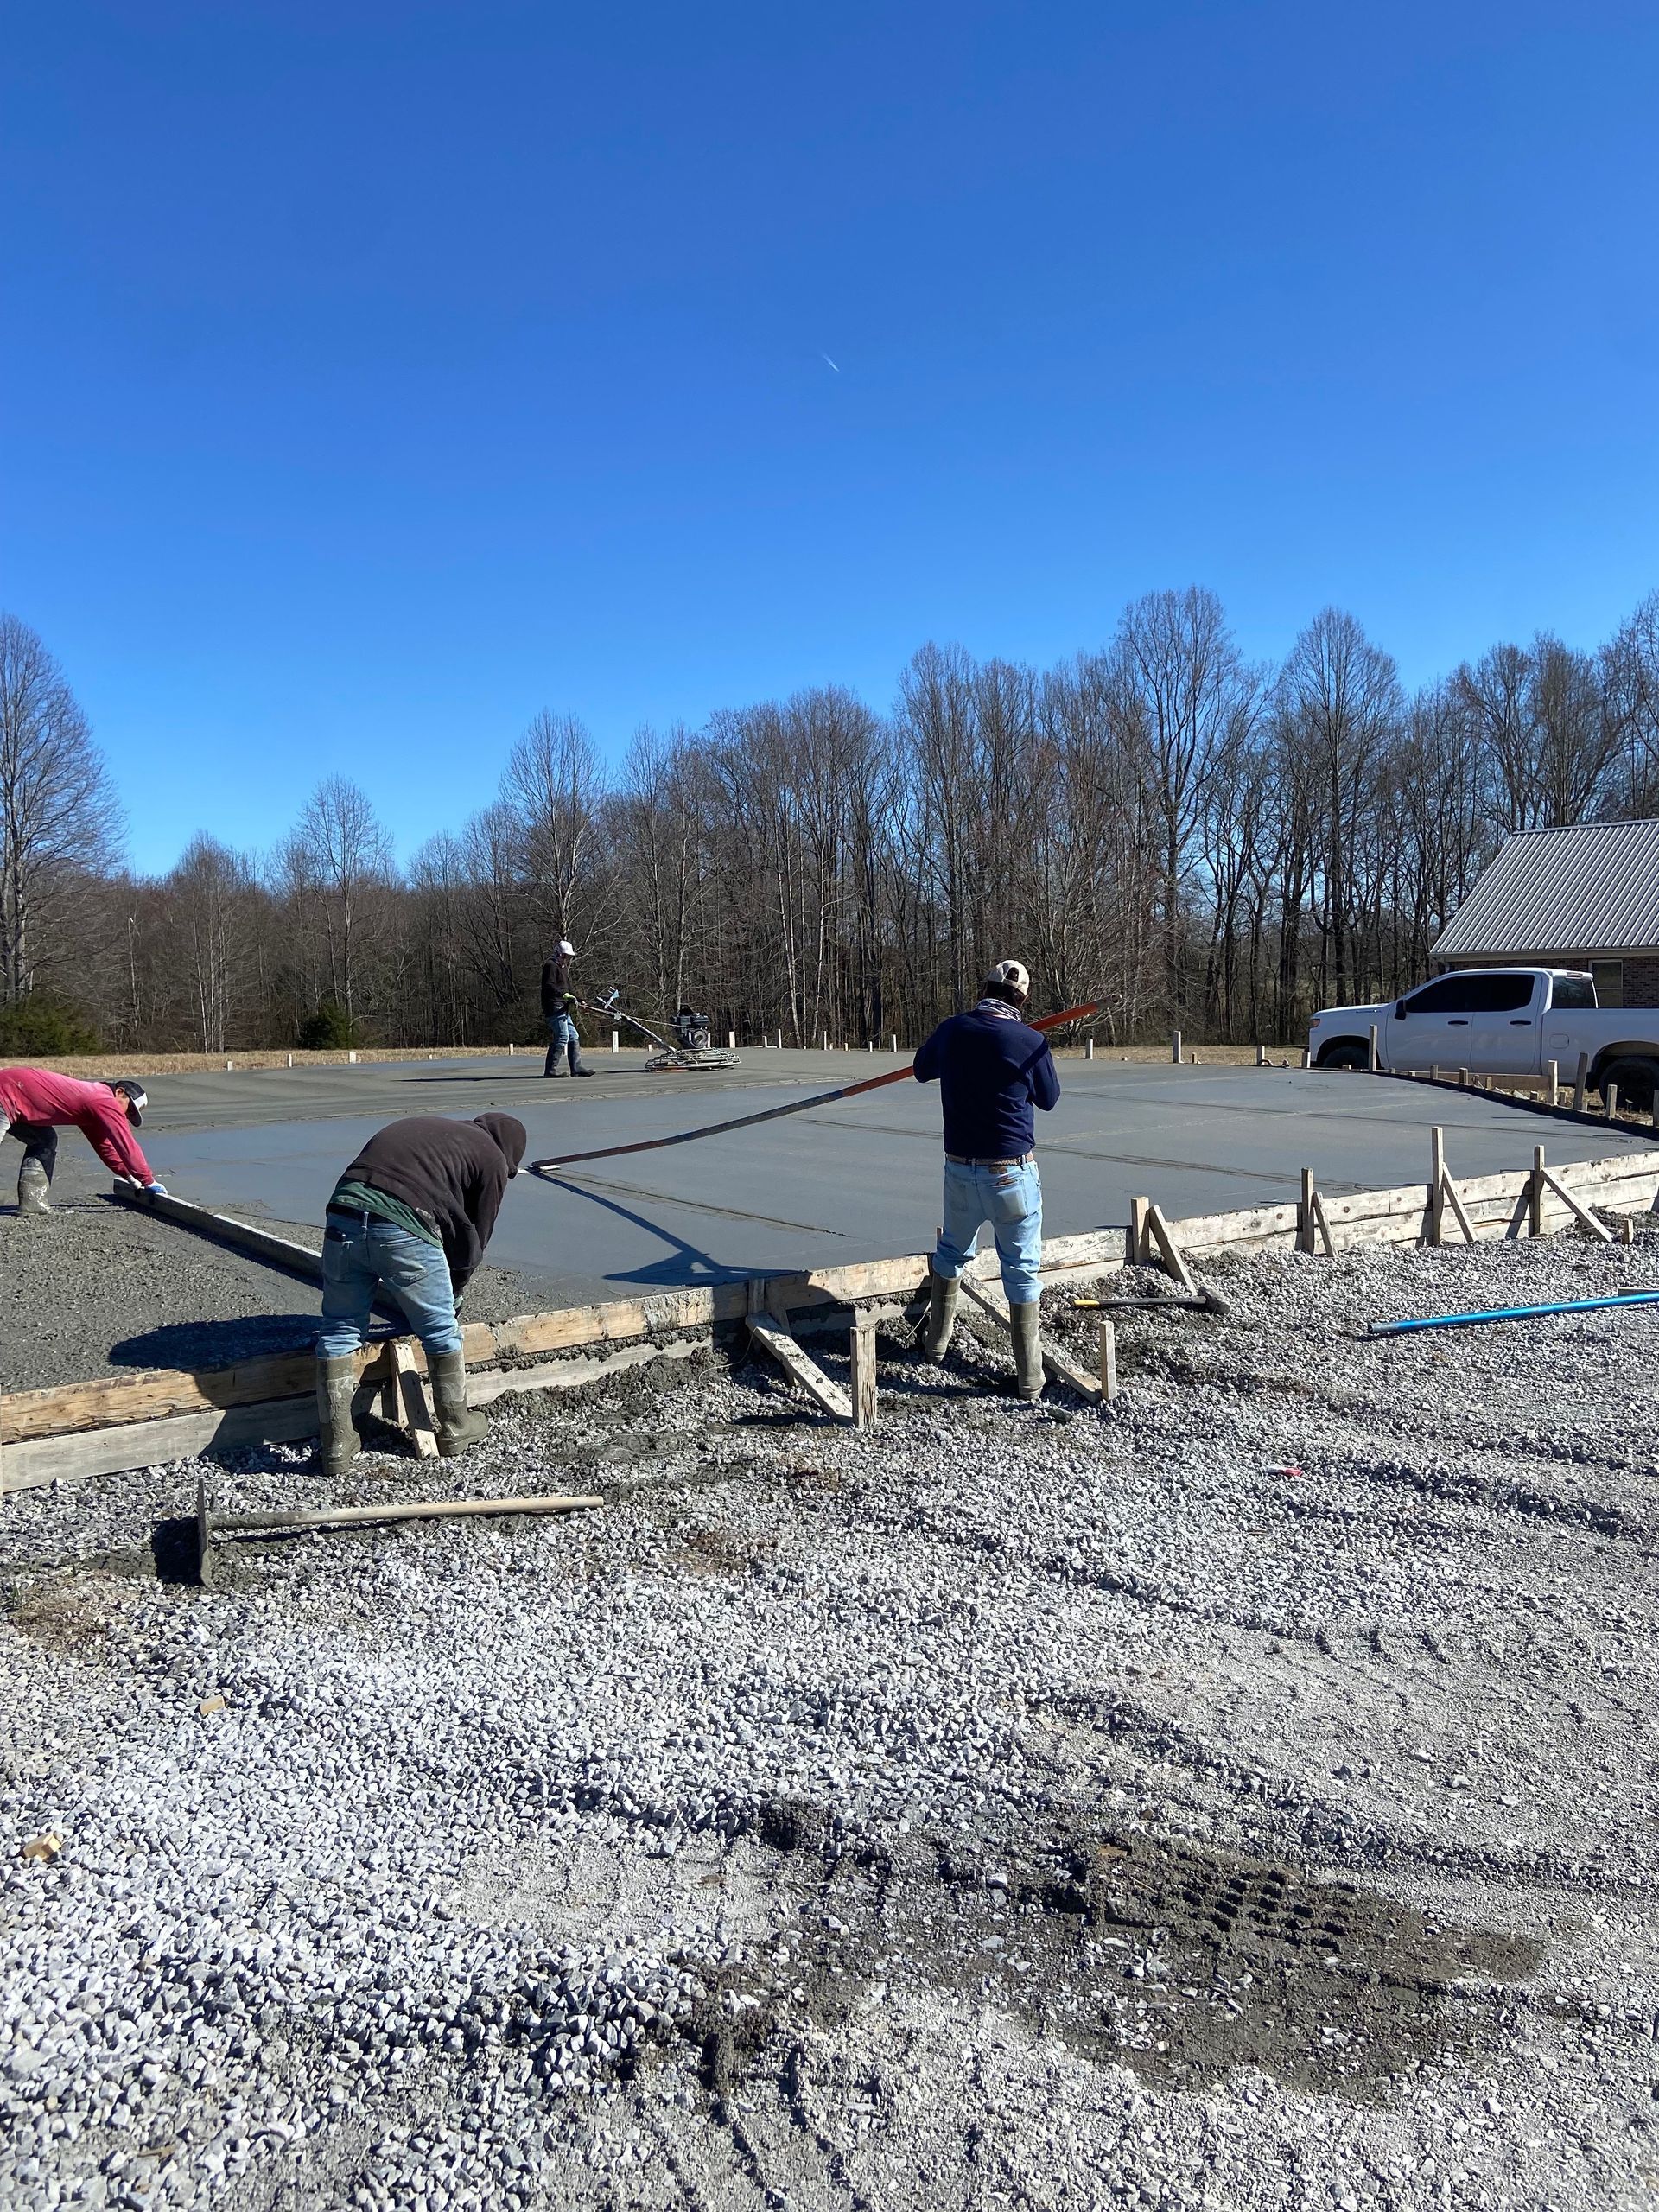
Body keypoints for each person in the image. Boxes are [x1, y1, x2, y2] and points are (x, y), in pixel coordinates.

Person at [314, 1111, 528, 1472]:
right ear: (511, 1153)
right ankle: (456, 1426)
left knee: (339, 1329)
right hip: (401, 1222)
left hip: (343, 1215)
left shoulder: (439, 1133)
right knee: (441, 1330)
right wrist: (454, 1290)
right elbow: (475, 1234)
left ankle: (336, 1444)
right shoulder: (492, 1158)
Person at [912, 961, 1059, 1400]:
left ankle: (937, 1343)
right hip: (1011, 1171)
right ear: (1023, 999)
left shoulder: (953, 1030)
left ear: (985, 988)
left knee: (951, 1251)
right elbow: (1049, 1099)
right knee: (1021, 1267)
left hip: (960, 1168)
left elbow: (922, 1069)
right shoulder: (1029, 1041)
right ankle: (1029, 1376)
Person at [0, 1068, 166, 1215]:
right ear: (119, 1092)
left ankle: (32, 1204)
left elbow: (105, 1147)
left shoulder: (94, 1104)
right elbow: (127, 1145)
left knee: (45, 1140)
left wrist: (130, 1177)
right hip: (7, 1090)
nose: (126, 1116)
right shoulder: (104, 1100)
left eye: (130, 1116)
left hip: (16, 1096)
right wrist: (148, 1180)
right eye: (128, 1110)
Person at [541, 939, 594, 1077]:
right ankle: (550, 1070)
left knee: (573, 1036)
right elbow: (549, 986)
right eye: (567, 956)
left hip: (563, 1007)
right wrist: (564, 995)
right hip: (554, 1006)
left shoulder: (562, 967)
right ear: (560, 954)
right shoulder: (550, 965)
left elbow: (567, 987)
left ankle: (576, 1068)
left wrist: (579, 998)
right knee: (562, 1036)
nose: (569, 959)